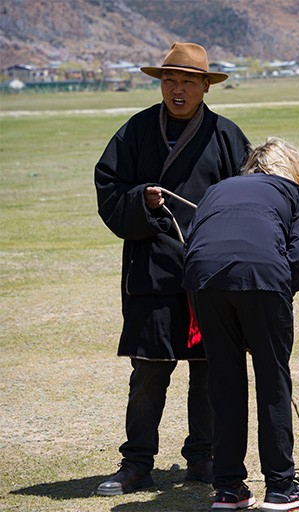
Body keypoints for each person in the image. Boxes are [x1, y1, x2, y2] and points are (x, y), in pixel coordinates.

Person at [94, 42, 250, 496]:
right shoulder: (136, 131)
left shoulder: (226, 136)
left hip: (208, 271)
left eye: (187, 81)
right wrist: (140, 198)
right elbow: (108, 185)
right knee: (148, 370)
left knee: (209, 367)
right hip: (152, 270)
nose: (177, 90)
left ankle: (202, 458)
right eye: (169, 81)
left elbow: (247, 197)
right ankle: (137, 462)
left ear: (206, 86)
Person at [183, 138, 299, 511]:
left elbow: (193, 241)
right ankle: (281, 486)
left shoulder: (216, 190)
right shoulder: (294, 194)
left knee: (224, 381)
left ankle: (228, 488)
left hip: (203, 279)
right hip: (263, 276)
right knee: (272, 378)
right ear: (294, 169)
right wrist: (272, 297)